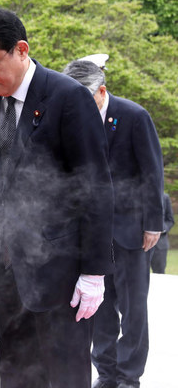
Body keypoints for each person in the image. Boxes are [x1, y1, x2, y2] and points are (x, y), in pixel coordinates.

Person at [0, 4, 115, 388]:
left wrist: (94, 274)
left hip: (60, 276)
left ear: (21, 50)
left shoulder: (67, 98)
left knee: (64, 378)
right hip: (6, 272)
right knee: (16, 378)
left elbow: (95, 188)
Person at [63, 58, 164, 388]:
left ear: (101, 90)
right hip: (93, 233)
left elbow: (152, 172)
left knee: (133, 311)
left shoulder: (134, 116)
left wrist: (153, 223)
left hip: (132, 230)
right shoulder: (73, 119)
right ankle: (106, 374)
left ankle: (129, 377)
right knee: (100, 308)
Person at [151, 192, 173, 273]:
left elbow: (170, 220)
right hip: (138, 245)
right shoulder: (137, 195)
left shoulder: (165, 197)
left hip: (160, 245)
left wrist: (162, 229)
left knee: (159, 274)